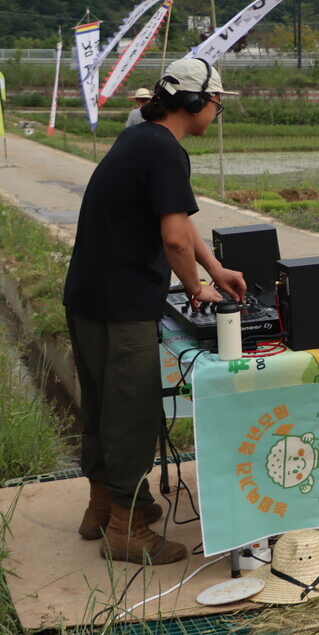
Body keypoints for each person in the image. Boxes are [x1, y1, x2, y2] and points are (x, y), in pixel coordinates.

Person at [63, 56, 246, 565]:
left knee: (101, 406)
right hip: (123, 305)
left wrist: (214, 268)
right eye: (215, 104)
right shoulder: (166, 151)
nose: (216, 113)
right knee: (132, 412)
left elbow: (180, 224)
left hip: (87, 296)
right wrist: (196, 288)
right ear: (194, 102)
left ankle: (102, 506)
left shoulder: (138, 138)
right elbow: (172, 237)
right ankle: (127, 529)